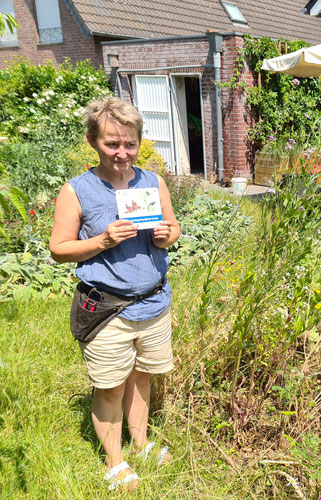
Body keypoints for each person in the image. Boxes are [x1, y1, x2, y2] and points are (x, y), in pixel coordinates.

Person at [50, 97, 180, 491]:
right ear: (93, 141)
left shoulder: (152, 182)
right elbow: (59, 249)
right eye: (111, 144)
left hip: (154, 302)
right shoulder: (77, 191)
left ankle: (139, 444)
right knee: (110, 386)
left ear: (139, 142)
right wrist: (104, 240)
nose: (122, 153)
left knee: (142, 379)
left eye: (129, 143)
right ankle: (114, 461)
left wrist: (166, 235)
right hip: (108, 309)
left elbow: (173, 227)